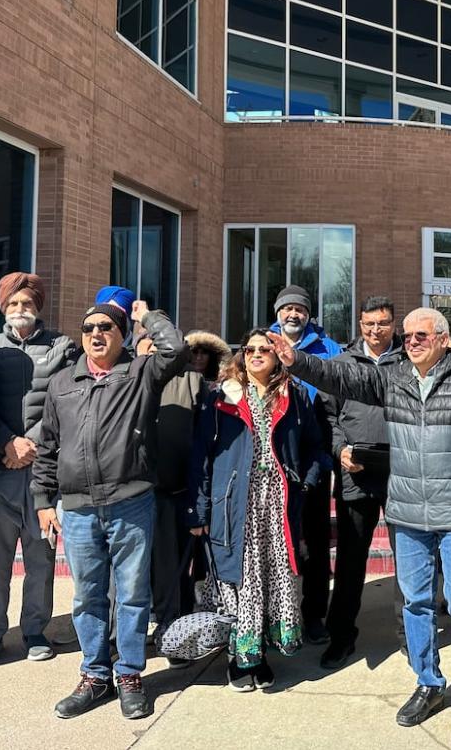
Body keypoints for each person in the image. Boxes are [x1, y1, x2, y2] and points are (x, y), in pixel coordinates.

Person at [266, 309, 451, 747]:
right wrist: (296, 361)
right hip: (408, 513)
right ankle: (429, 683)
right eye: (408, 336)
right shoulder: (393, 378)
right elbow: (340, 379)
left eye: (421, 336)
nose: (411, 342)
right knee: (416, 604)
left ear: (442, 339)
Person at [34, 299, 187, 720]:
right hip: (79, 508)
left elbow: (176, 350)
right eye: (88, 329)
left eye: (106, 327)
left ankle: (130, 675)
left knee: (134, 595)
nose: (96, 334)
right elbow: (47, 448)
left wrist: (148, 317)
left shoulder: (140, 373)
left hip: (129, 501)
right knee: (87, 596)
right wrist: (44, 501)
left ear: (122, 334)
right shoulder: (63, 382)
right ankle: (95, 675)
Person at [187, 329, 326, 690]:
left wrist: (305, 481)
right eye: (250, 349)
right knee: (241, 581)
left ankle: (261, 655)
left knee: (271, 580)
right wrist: (199, 510)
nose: (257, 354)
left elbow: (315, 446)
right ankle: (239, 659)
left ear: (279, 355)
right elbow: (200, 455)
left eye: (266, 349)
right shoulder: (222, 398)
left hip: (278, 503)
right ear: (241, 355)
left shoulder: (293, 397)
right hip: (234, 502)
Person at [0, 273, 75, 668]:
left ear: (38, 306)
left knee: (40, 553)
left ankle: (35, 629)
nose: (21, 310)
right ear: (4, 307)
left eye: (27, 303)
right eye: (14, 304)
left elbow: (63, 399)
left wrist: (29, 444)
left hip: (43, 467)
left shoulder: (62, 347)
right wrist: (7, 444)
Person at [320, 296, 405, 669]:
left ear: (393, 323)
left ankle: (411, 636)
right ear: (359, 322)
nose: (375, 330)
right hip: (355, 474)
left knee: (411, 559)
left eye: (383, 323)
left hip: (403, 473)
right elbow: (327, 416)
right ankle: (341, 636)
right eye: (368, 323)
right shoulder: (340, 364)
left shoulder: (408, 361)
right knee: (352, 561)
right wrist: (339, 450)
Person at [269, 284, 341, 645]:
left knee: (312, 545)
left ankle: (313, 614)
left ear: (309, 314)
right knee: (271, 546)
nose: (293, 314)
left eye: (299, 309)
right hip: (270, 467)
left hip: (312, 463)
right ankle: (273, 616)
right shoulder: (260, 345)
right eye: (287, 309)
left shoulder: (330, 351)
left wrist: (325, 461)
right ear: (278, 312)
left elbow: (339, 408)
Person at [135, 330, 210, 652]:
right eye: (148, 346)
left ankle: (172, 628)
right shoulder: (124, 380)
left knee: (170, 568)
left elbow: (204, 440)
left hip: (174, 490)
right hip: (129, 493)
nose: (156, 352)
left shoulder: (191, 381)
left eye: (161, 346)